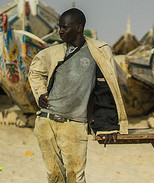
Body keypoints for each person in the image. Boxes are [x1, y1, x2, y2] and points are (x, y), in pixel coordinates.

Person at [29, 8, 128, 183]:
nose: (60, 31)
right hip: (46, 122)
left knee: (75, 176)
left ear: (78, 28)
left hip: (75, 125)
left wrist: (108, 125)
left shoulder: (97, 52)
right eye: (59, 27)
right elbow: (35, 71)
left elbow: (106, 89)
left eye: (64, 28)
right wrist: (40, 93)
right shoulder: (52, 52)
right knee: (54, 176)